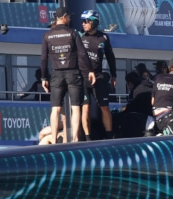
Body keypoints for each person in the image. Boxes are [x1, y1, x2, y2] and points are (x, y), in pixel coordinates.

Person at [41, 7, 95, 143]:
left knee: (55, 109)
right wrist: (90, 71)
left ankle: (53, 139)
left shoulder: (47, 35)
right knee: (76, 107)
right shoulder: (72, 33)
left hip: (56, 74)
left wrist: (43, 78)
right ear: (63, 17)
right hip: (72, 73)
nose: (70, 19)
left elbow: (43, 58)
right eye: (69, 17)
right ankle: (75, 138)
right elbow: (82, 53)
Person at [79, 10, 117, 139]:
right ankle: (87, 139)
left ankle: (109, 136)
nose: (83, 24)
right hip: (83, 77)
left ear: (93, 22)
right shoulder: (80, 36)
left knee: (105, 107)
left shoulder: (104, 37)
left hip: (99, 76)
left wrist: (114, 75)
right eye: (82, 21)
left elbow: (110, 57)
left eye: (86, 21)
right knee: (86, 108)